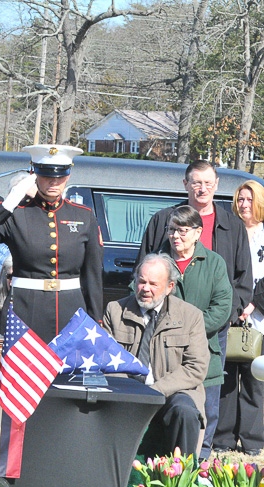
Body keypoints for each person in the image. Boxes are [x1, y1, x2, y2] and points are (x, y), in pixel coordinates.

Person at [137, 160, 252, 460]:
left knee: (208, 394)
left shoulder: (232, 225)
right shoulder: (163, 221)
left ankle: (200, 455)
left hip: (213, 328)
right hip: (164, 331)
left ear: (217, 185)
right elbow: (142, 269)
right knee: (165, 388)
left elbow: (242, 279)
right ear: (185, 184)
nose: (202, 188)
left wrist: (225, 317)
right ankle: (159, 453)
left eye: (208, 183)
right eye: (196, 182)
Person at [0, 144, 103, 343]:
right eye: (46, 176)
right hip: (25, 310)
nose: (53, 182)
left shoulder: (83, 216)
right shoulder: (17, 214)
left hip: (70, 311)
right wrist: (8, 203)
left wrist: (95, 321)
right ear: (34, 175)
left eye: (60, 176)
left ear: (68, 175)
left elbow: (93, 276)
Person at [103, 253, 210, 458]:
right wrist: (133, 392)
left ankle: (182, 473)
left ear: (170, 287)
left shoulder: (191, 316)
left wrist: (155, 391)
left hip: (172, 392)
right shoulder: (115, 311)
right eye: (141, 281)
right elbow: (106, 362)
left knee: (185, 412)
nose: (145, 288)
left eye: (153, 284)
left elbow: (196, 367)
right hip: (127, 393)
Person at [159, 204, 233, 458]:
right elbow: (140, 295)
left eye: (182, 230)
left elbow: (222, 308)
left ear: (198, 232)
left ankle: (201, 460)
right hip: (161, 353)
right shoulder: (157, 261)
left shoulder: (214, 263)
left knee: (206, 412)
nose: (175, 236)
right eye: (171, 229)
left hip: (203, 352)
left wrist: (190, 332)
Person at [214, 180, 264, 454]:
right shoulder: (229, 231)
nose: (244, 205)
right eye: (240, 199)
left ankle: (253, 440)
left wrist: (253, 303)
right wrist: (234, 305)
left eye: (250, 199)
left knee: (256, 377)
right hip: (231, 310)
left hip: (259, 315)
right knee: (227, 376)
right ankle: (223, 438)